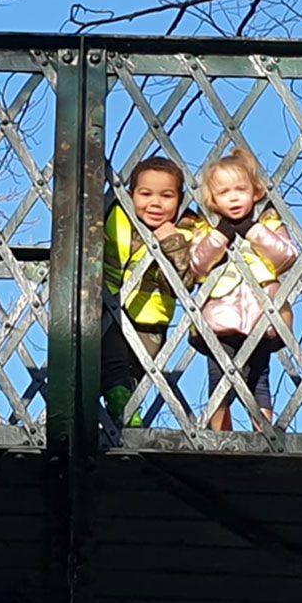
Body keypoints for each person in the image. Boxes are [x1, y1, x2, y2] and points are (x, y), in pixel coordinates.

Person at [189, 147, 297, 431]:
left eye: (241, 189)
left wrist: (253, 231)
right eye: (224, 192)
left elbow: (286, 255)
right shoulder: (206, 227)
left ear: (255, 191)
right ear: (213, 199)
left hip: (262, 314)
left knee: (259, 376)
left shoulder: (268, 222)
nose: (234, 197)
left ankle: (263, 429)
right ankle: (220, 430)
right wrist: (220, 236)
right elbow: (197, 265)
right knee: (219, 375)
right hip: (220, 317)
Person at [101, 156, 194, 428]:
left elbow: (183, 283)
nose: (155, 203)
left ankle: (122, 413)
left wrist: (172, 243)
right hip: (109, 304)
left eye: (166, 196)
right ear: (130, 195)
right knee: (112, 363)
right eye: (145, 194)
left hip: (151, 317)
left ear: (180, 199)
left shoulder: (184, 231)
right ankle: (124, 413)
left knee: (134, 373)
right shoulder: (114, 214)